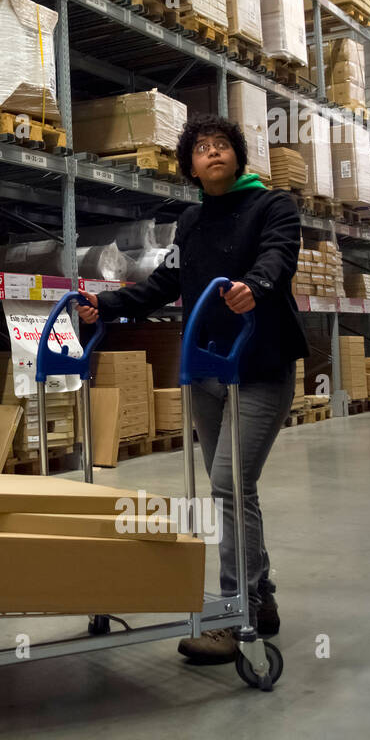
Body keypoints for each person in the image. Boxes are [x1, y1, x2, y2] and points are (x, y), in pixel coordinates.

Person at [77, 113, 307, 663]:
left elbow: (279, 255)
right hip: (205, 367)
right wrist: (103, 305)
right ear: (190, 167)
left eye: (222, 144)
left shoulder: (274, 206)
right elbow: (163, 283)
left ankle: (234, 614)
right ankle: (262, 595)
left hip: (260, 365)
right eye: (201, 148)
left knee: (228, 484)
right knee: (231, 488)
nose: (213, 153)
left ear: (237, 156)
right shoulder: (191, 222)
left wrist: (257, 285)